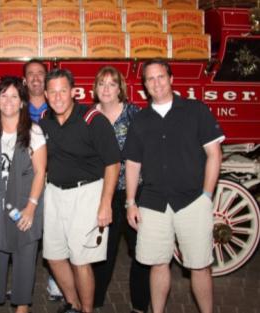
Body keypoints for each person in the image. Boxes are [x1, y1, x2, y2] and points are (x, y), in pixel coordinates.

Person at [123, 59, 224, 313]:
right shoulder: (141, 119)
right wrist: (131, 202)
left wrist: (206, 196)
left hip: (192, 200)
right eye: (150, 79)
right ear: (144, 85)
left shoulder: (196, 110)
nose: (156, 83)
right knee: (158, 264)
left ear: (171, 79)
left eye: (160, 77)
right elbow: (133, 163)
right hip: (153, 202)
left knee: (199, 266)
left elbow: (214, 154)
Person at [39, 69, 121, 313]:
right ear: (45, 94)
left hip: (87, 194)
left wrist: (105, 203)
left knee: (80, 260)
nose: (58, 97)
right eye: (52, 92)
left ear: (73, 92)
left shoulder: (93, 119)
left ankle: (87, 310)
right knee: (53, 256)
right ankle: (73, 305)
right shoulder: (44, 118)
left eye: (63, 90)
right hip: (54, 193)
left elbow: (113, 163)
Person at [0, 76, 47, 313]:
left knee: (25, 254)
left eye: (14, 96)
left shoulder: (34, 131)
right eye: (3, 95)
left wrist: (31, 208)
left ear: (22, 102)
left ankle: (22, 304)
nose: (8, 100)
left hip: (24, 203)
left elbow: (40, 172)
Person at [91, 66, 150, 313]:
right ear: (95, 88)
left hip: (135, 192)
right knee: (103, 251)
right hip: (105, 193)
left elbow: (149, 151)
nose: (106, 89)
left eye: (111, 84)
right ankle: (93, 303)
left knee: (141, 251)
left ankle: (139, 305)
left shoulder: (135, 114)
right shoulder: (90, 116)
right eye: (102, 83)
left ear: (120, 89)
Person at [23, 58, 63, 301]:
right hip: (25, 176)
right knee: (24, 230)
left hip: (54, 176)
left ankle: (55, 279)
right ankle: (21, 279)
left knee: (54, 229)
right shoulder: (15, 105)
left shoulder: (59, 105)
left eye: (40, 73)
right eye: (31, 74)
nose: (36, 78)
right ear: (25, 80)